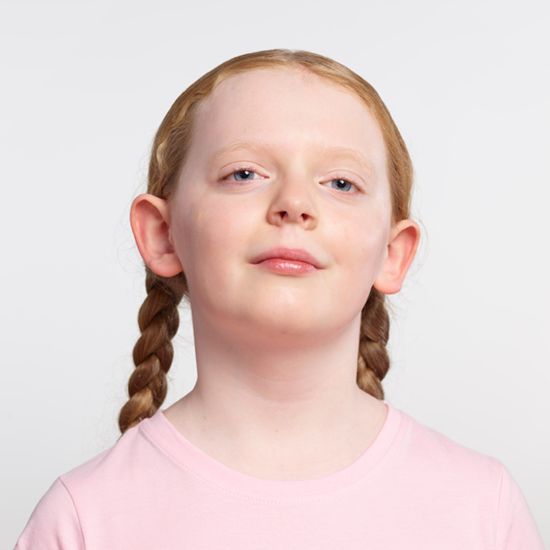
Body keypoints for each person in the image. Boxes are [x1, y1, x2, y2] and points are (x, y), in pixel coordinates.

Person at [15, 49, 544, 549]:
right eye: (243, 174)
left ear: (392, 252)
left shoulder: (481, 508)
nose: (294, 203)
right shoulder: (83, 517)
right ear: (162, 233)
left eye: (340, 182)